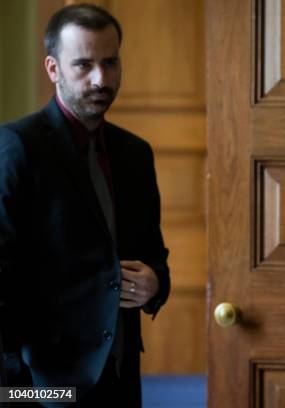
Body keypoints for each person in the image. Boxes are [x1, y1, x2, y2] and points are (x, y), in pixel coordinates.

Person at [0, 4, 170, 406]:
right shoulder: (17, 146)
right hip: (39, 381)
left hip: (119, 372)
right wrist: (13, 386)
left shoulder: (135, 153)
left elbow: (153, 253)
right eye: (84, 65)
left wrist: (156, 283)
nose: (101, 79)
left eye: (110, 63)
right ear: (53, 68)